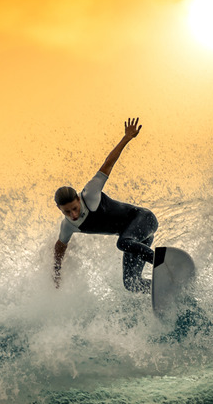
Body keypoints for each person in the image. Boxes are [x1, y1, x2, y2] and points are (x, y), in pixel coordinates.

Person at [53, 117, 158, 293]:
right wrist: (56, 274)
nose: (73, 214)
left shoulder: (91, 193)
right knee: (131, 283)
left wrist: (127, 137)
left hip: (144, 219)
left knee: (122, 243)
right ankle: (162, 288)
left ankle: (164, 264)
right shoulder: (68, 226)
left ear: (79, 199)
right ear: (60, 210)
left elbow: (108, 163)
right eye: (67, 212)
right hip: (135, 239)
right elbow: (59, 247)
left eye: (75, 208)